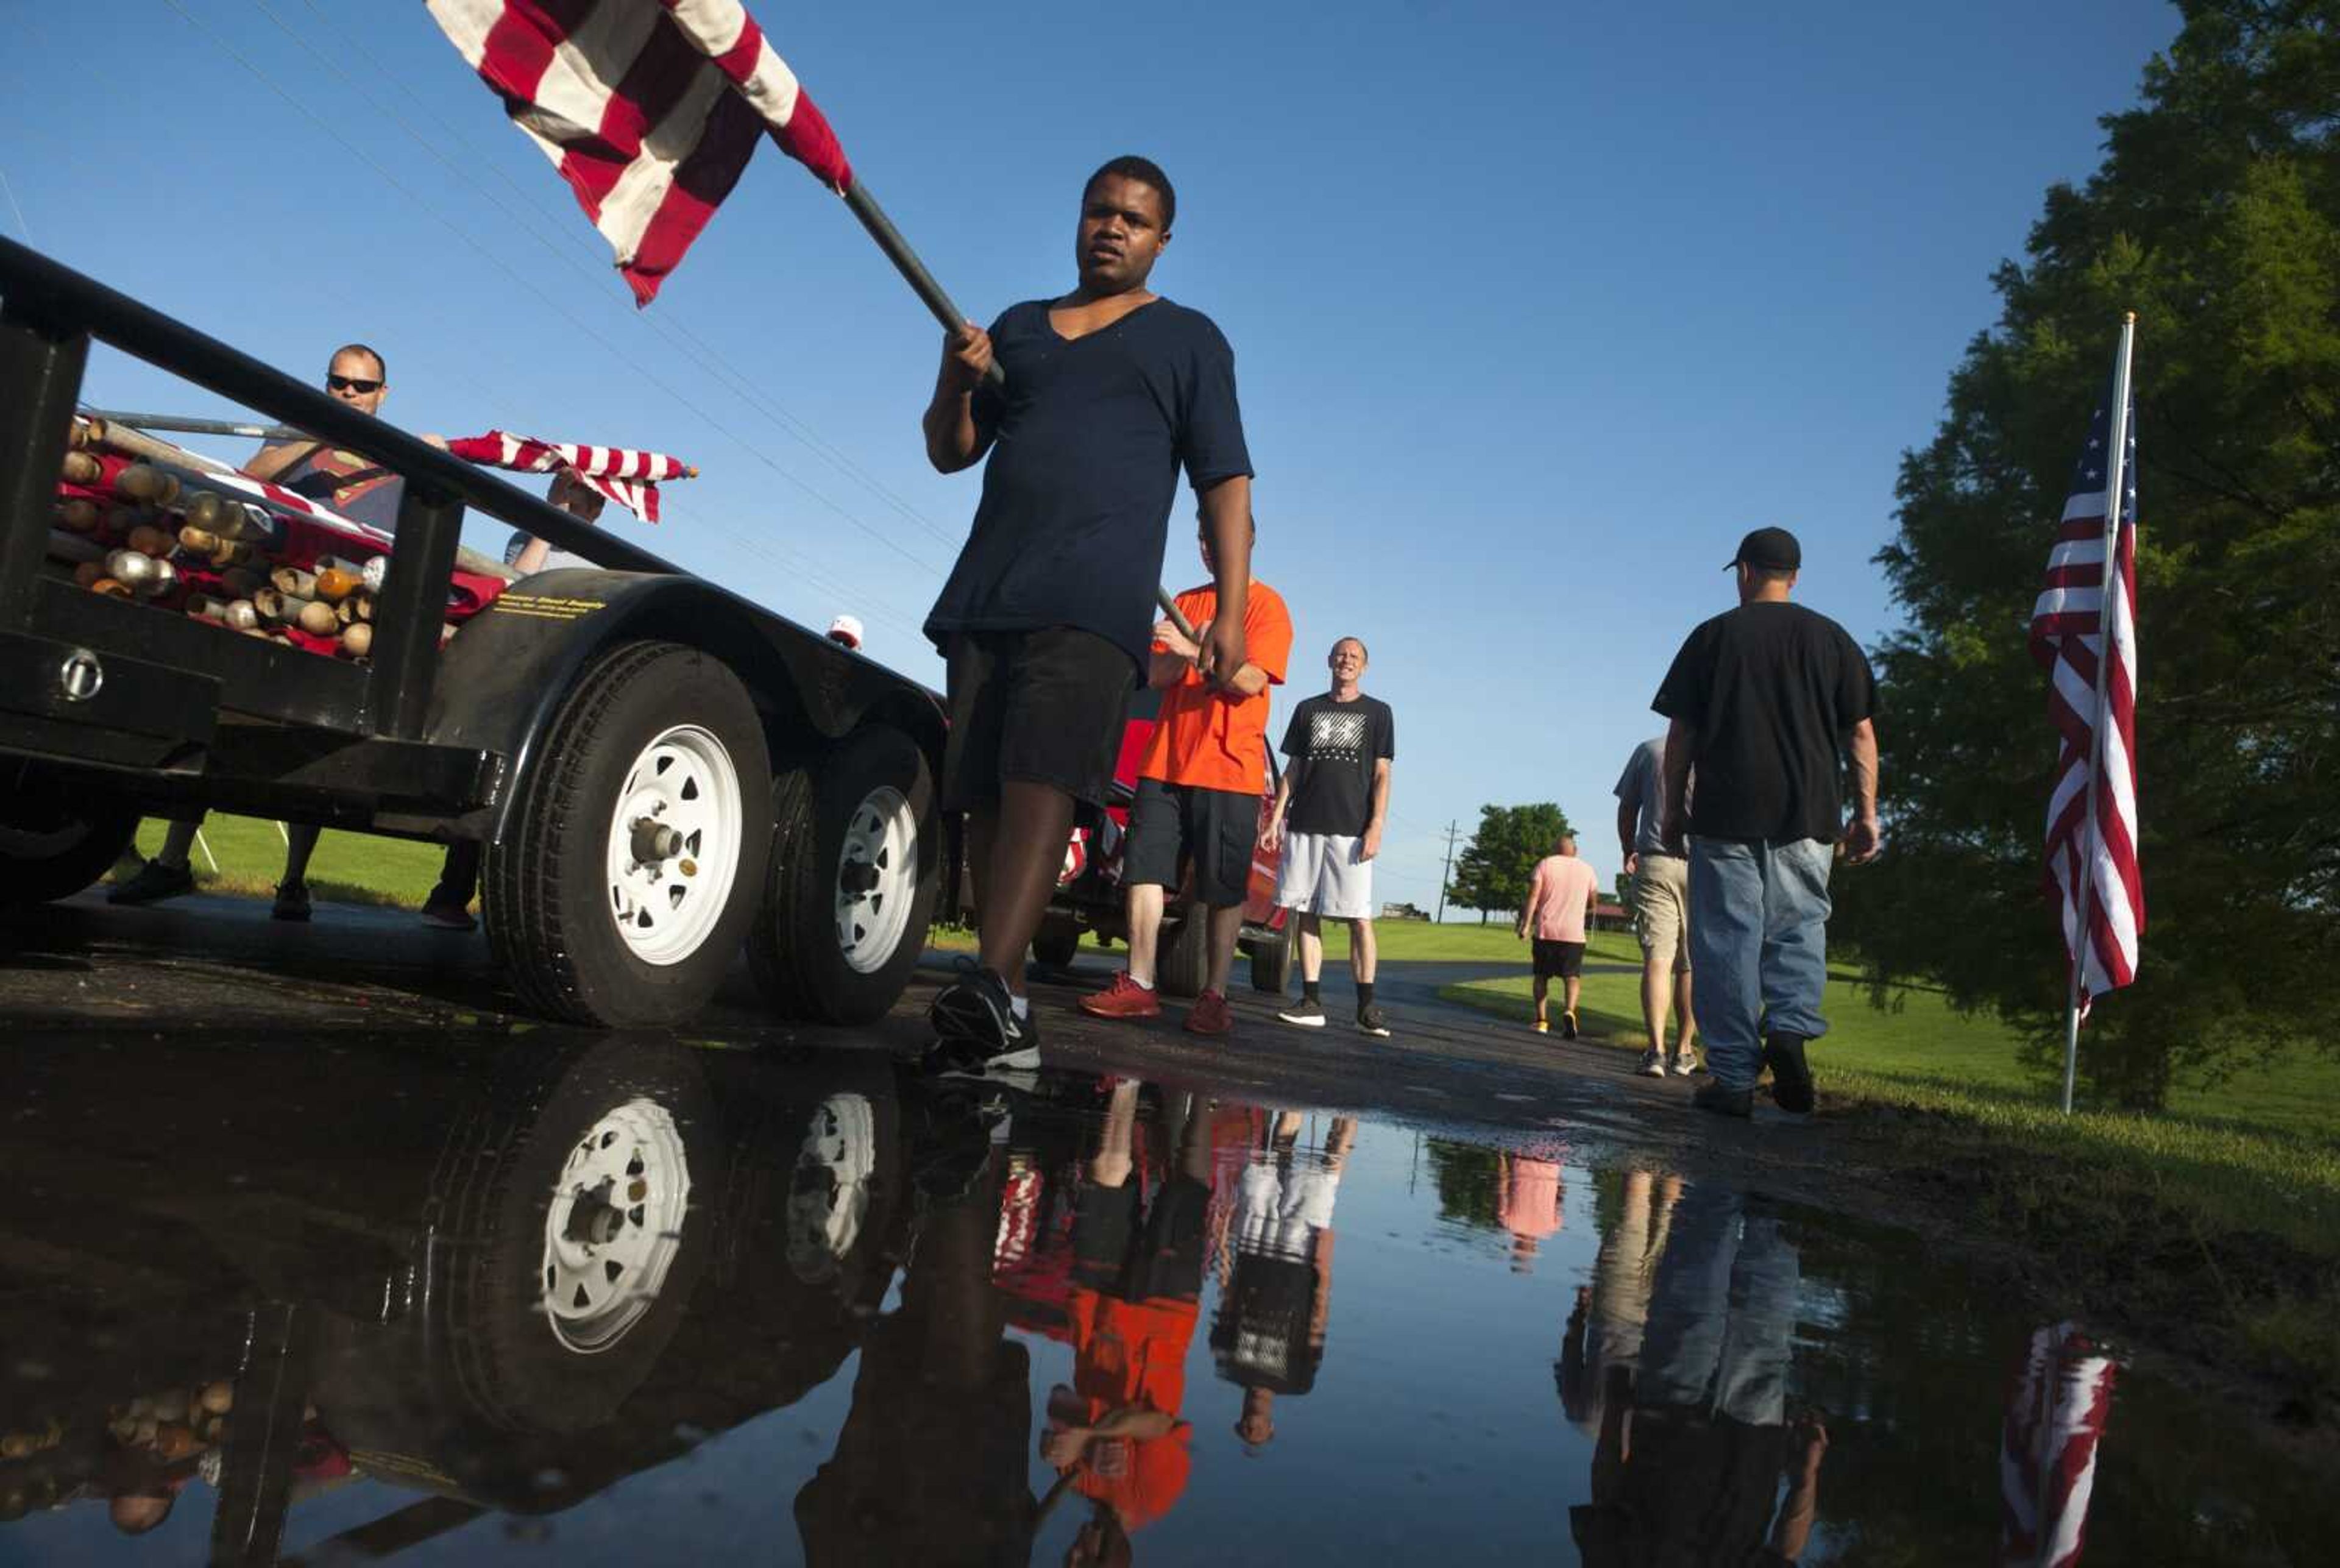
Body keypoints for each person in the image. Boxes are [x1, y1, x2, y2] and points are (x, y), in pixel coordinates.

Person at [918, 154, 1255, 1075]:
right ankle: (1007, 1001)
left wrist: (1230, 608)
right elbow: (950, 452)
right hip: (990, 590)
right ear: (1078, 219)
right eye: (1100, 211)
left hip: (1094, 603)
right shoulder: (1022, 330)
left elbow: (1225, 480)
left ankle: (990, 982)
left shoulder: (1189, 340)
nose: (1113, 228)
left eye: (1134, 220)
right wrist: (956, 379)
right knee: (984, 792)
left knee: (1042, 781)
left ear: (1163, 241)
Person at [108, 344, 441, 921]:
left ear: (383, 394)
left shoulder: (401, 460)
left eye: (361, 387)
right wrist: (313, 438)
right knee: (219, 720)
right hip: (274, 591)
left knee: (317, 744)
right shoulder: (293, 433)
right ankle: (173, 859)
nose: (348, 394)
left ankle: (293, 882)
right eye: (338, 383)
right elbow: (248, 480)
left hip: (350, 610)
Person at [1653, 527, 1880, 1119]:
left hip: (1726, 809)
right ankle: (1789, 1030)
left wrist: (1673, 807)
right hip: (1807, 811)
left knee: (1727, 940)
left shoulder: (1713, 637)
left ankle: (1732, 1078)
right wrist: (1867, 813)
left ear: (1745, 572)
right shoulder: (1832, 639)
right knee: (1799, 925)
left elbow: (1683, 734)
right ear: (1796, 575)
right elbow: (1859, 733)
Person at [1079, 516, 1290, 1036]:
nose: (1210, 547)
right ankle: (1140, 982)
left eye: (1220, 537)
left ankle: (1214, 996)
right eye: (1204, 539)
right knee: (1144, 870)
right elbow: (1157, 675)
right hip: (1166, 759)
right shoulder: (1190, 604)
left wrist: (1195, 650)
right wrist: (1163, 652)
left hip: (1230, 768)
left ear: (1247, 542)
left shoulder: (1267, 607)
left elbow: (1248, 680)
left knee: (1221, 887)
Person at [417, 470, 612, 929]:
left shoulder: (603, 562)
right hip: (509, 673)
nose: (567, 499)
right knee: (489, 781)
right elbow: (517, 582)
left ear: (598, 507)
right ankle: (451, 894)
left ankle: (516, 910)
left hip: (555, 680)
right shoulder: (528, 538)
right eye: (562, 489)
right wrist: (551, 521)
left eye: (578, 494)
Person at [1263, 637, 1397, 1036]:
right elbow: (1293, 768)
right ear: (1329, 661)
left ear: (1364, 666)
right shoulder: (1308, 709)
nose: (1347, 660)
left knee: (1359, 917)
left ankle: (1367, 1006)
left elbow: (1383, 774)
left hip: (1351, 830)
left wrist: (1376, 825)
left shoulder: (1379, 713)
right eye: (1341, 654)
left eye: (1355, 657)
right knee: (1305, 910)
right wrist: (1275, 816)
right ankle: (1311, 1000)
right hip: (1305, 824)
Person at [1616, 734, 1700, 1077]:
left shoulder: (1649, 750)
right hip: (1704, 864)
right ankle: (1683, 1051)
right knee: (1691, 963)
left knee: (1658, 959)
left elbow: (1627, 807)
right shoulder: (1716, 747)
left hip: (1655, 859)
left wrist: (1627, 847)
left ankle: (1655, 1052)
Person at [1517, 833, 1601, 1038]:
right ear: (1576, 851)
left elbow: (1534, 896)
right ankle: (1570, 1011)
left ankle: (1542, 1021)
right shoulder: (1588, 869)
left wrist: (1526, 925)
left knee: (1541, 976)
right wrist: (1580, 908)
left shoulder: (1545, 864)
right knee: (1572, 978)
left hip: (1546, 931)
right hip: (1573, 934)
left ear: (1555, 849)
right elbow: (1593, 904)